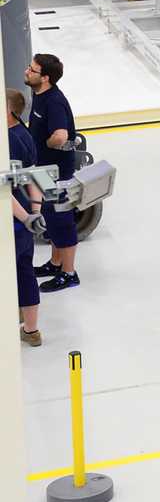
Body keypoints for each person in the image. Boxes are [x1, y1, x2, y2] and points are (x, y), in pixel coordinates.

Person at [23, 54, 80, 293]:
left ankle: (69, 273)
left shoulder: (54, 101)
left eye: (32, 70)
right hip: (45, 170)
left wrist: (47, 144)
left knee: (61, 220)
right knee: (52, 219)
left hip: (58, 174)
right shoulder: (40, 94)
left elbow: (61, 136)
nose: (27, 71)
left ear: (45, 78)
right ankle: (56, 264)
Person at [8, 89, 44, 346]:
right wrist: (36, 212)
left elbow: (2, 193)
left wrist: (24, 217)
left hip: (11, 220)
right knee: (25, 271)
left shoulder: (5, 141)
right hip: (25, 221)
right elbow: (34, 176)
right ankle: (31, 330)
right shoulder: (25, 133)